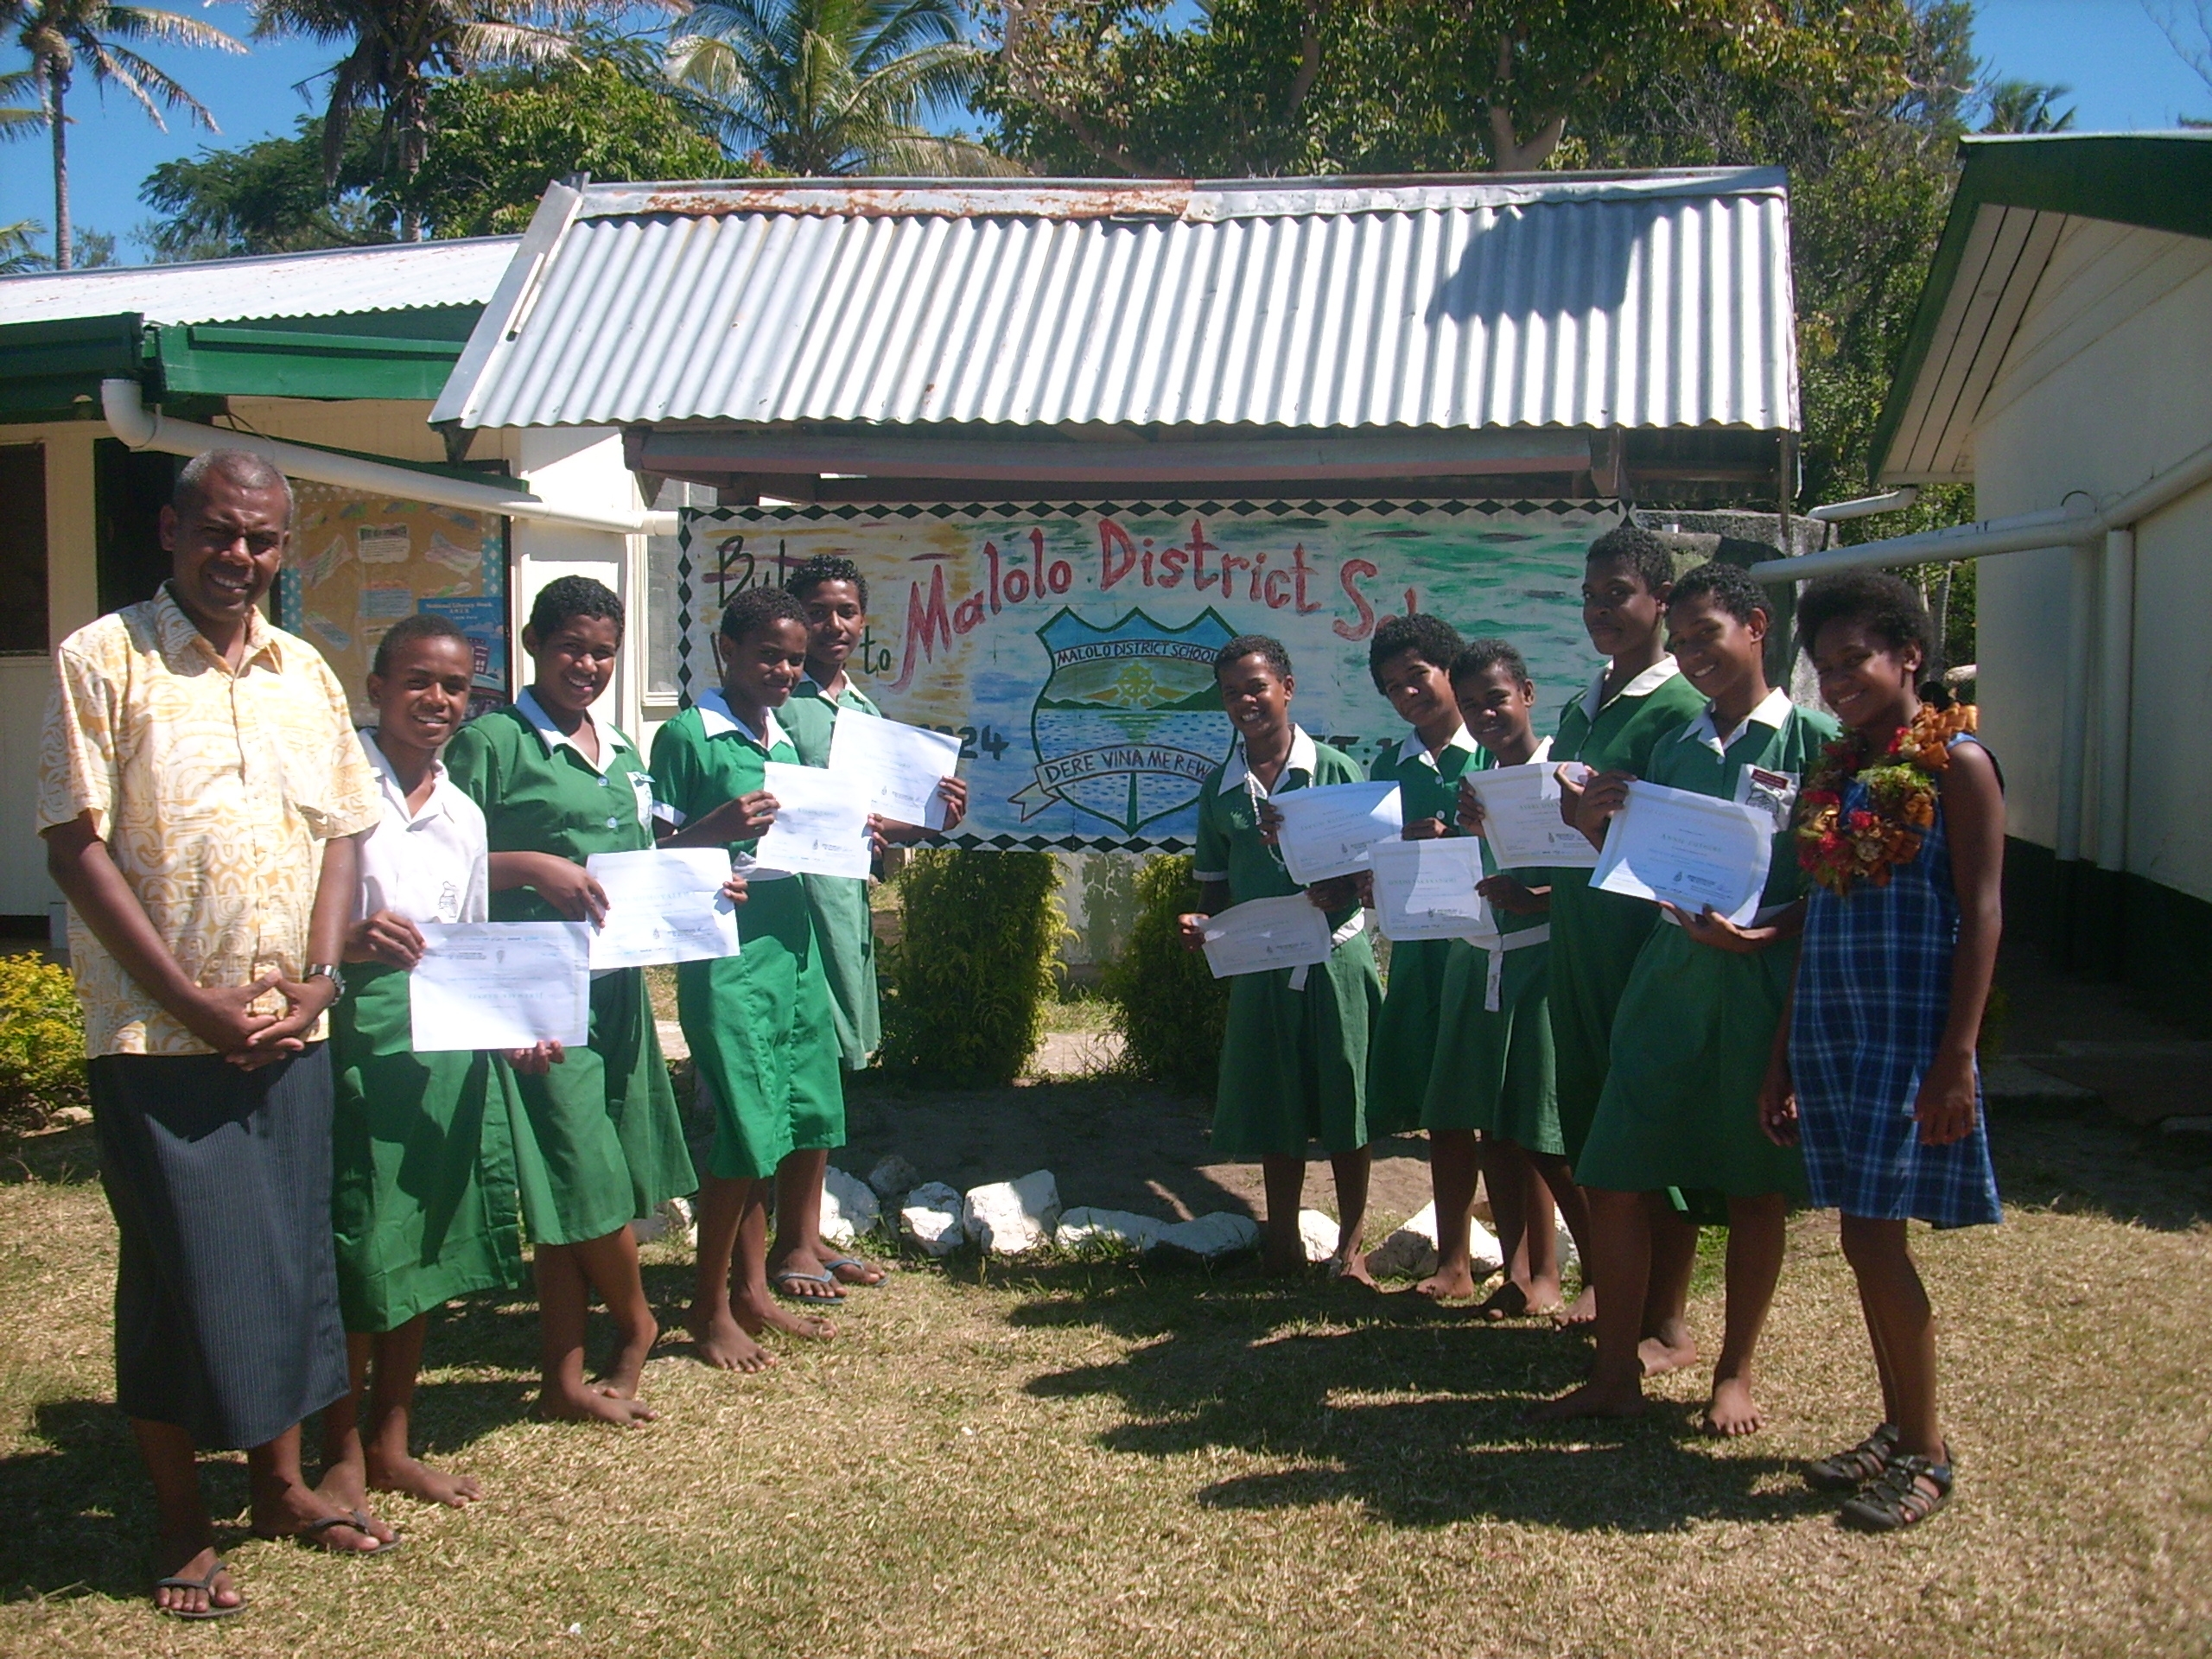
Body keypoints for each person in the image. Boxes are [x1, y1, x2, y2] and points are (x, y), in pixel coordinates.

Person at [40, 449, 396, 1619]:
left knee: (289, 1265)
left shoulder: (306, 671)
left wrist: (324, 979)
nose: (239, 557)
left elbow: (345, 832)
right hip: (160, 1040)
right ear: (170, 528)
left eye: (262, 540)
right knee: (180, 1276)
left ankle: (282, 1485)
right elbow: (75, 844)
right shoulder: (105, 659)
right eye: (220, 533)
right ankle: (184, 1522)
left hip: (290, 1031)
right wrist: (189, 1004)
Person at [1538, 561, 1834, 1433]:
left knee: (1753, 1187)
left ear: (1755, 625)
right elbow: (1635, 869)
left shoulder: (1811, 745)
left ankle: (1734, 1371)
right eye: (1683, 640)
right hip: (1664, 980)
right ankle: (1613, 1370)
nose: (1693, 653)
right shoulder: (1673, 749)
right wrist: (1600, 818)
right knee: (1619, 1172)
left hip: (1757, 986)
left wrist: (1762, 939)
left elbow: (1839, 889)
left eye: (1708, 633)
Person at [1763, 572, 2002, 1531]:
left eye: (1852, 659)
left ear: (1909, 654)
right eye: (1821, 667)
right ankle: (1898, 1429)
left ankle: (1927, 1454)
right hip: (1833, 1024)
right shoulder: (1837, 774)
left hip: (1908, 1037)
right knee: (1864, 1241)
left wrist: (1957, 1059)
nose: (1835, 681)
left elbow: (1982, 916)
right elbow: (1816, 920)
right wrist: (1780, 1057)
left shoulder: (1958, 765)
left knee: (1872, 1236)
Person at [442, 575, 696, 1426]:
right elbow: (441, 868)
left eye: (602, 652)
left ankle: (560, 1374)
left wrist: (703, 891)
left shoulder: (619, 749)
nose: (585, 665)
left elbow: (636, 863)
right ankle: (637, 1322)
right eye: (570, 648)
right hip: (531, 991)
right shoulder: (492, 743)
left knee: (572, 1183)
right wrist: (531, 868)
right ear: (532, 646)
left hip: (615, 991)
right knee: (578, 1165)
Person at [321, 613, 559, 1512]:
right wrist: (348, 940)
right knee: (359, 1248)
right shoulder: (338, 792)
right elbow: (294, 925)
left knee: (424, 1245)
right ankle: (339, 1451)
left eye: (455, 687)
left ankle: (392, 1440)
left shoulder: (462, 814)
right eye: (417, 681)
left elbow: (464, 948)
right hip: (358, 1041)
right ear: (376, 688)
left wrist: (510, 1028)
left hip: (444, 1052)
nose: (436, 701)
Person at [652, 586, 857, 1364]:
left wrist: (888, 825)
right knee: (741, 1122)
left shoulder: (785, 735)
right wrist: (716, 832)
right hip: (725, 947)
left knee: (786, 1114)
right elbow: (651, 858)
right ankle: (708, 1308)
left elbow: (815, 835)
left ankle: (752, 1293)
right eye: (768, 654)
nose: (781, 670)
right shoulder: (687, 737)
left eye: (795, 660)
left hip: (792, 936)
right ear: (725, 651)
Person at [778, 555, 967, 1289]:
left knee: (824, 1075)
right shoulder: (774, 704)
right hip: (789, 910)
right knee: (798, 1070)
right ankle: (787, 1243)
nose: (835, 626)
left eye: (848, 611)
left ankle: (805, 1233)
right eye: (820, 611)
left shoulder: (863, 714)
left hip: (842, 906)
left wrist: (927, 821)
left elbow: (877, 831)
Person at [1178, 636, 1383, 1280]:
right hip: (1264, 963)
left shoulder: (1335, 772)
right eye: (1232, 691)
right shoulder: (1221, 790)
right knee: (1276, 1107)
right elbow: (1216, 884)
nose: (1246, 701)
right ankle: (1283, 1243)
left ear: (1287, 688)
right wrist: (1200, 923)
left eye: (1257, 687)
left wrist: (1341, 889)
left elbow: (1374, 869)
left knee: (1347, 1105)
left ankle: (1351, 1246)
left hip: (1338, 960)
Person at [1548, 524, 1709, 1345]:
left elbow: (1673, 855)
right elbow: (1571, 817)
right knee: (1592, 1126)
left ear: (1662, 602)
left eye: (1617, 593)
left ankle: (1668, 1323)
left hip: (1639, 946)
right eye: (1589, 595)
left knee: (1648, 1133)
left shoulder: (1680, 709)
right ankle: (1622, 1304)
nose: (1599, 610)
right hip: (1576, 938)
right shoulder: (1583, 706)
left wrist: (1583, 827)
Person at [1427, 640, 1592, 1316]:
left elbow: (1596, 872)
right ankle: (1523, 1273)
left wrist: (1538, 901)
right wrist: (1461, 837)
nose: (1484, 713)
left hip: (1548, 961)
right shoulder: (1478, 784)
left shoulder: (1566, 773)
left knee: (1547, 1135)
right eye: (1470, 705)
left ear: (1526, 692)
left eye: (1495, 698)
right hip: (1485, 956)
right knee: (1494, 1127)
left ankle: (1603, 1277)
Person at [1363, 613, 1476, 1144]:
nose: (1408, 693)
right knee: (1440, 1108)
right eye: (1392, 689)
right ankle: (1453, 1228)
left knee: (1497, 1108)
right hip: (1419, 948)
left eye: (1418, 674)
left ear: (1451, 669)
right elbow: (1373, 858)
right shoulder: (1388, 769)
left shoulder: (1494, 751)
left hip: (1484, 945)